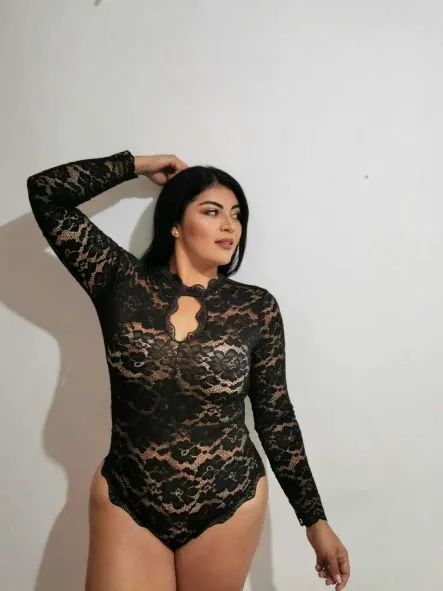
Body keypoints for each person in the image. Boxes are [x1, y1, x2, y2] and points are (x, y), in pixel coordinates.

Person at [27, 150, 350, 591]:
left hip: (228, 501)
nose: (229, 226)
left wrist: (315, 521)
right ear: (175, 223)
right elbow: (46, 193)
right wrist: (138, 165)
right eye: (212, 211)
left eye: (236, 215)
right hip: (127, 498)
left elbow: (276, 418)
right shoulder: (120, 283)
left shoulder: (256, 308)